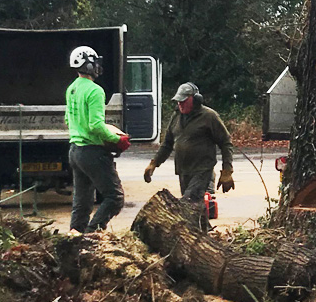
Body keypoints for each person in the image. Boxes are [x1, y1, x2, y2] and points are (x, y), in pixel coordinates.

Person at [65, 46, 129, 233]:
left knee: (82, 202)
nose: (98, 66)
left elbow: (68, 119)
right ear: (89, 65)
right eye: (95, 62)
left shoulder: (72, 89)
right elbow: (95, 125)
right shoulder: (95, 91)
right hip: (92, 151)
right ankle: (92, 234)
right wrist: (116, 139)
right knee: (114, 197)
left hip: (75, 151)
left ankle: (75, 237)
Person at [144, 82, 235, 207]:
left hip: (202, 170)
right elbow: (167, 144)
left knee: (188, 204)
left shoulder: (209, 116)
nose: (180, 104)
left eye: (183, 101)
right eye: (178, 101)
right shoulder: (176, 117)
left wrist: (227, 170)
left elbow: (226, 143)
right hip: (183, 171)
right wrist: (154, 163)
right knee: (195, 209)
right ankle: (203, 226)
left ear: (196, 99)